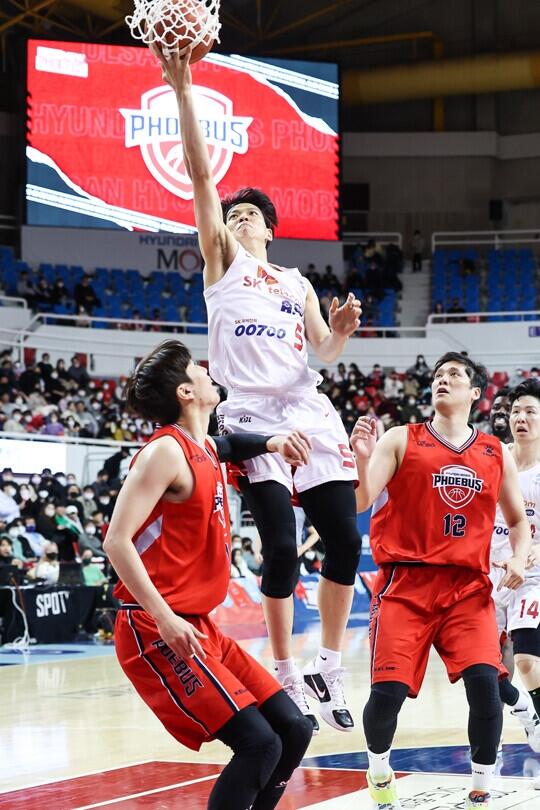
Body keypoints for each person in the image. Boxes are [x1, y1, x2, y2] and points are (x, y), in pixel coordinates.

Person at [158, 45, 362, 733]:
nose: (240, 218)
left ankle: (327, 663)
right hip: (251, 413)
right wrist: (184, 88)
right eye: (233, 213)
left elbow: (324, 354)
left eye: (251, 215)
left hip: (308, 406)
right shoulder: (221, 266)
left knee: (342, 540)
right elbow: (197, 174)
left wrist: (337, 332)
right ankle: (281, 670)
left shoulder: (297, 282)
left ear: (271, 230)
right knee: (279, 545)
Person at [103, 340, 313, 810]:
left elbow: (232, 444)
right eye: (198, 368)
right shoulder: (164, 453)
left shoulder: (202, 446)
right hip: (156, 626)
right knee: (260, 743)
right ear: (185, 392)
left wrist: (273, 441)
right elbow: (116, 540)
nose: (207, 370)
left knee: (294, 728)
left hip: (201, 625)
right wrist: (165, 619)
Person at [350, 351, 530, 809]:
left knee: (486, 686)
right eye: (438, 375)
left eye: (454, 375)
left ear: (476, 393)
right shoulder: (399, 438)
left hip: (467, 589)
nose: (442, 380)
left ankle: (482, 786)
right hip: (404, 586)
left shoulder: (494, 452)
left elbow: (518, 521)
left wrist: (519, 557)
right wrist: (360, 458)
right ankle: (378, 766)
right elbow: (358, 501)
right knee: (388, 695)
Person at [490, 379, 540, 752]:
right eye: (516, 411)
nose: (520, 418)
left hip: (531, 576)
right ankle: (527, 713)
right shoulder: (494, 457)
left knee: (525, 661)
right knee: (484, 673)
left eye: (530, 412)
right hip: (488, 575)